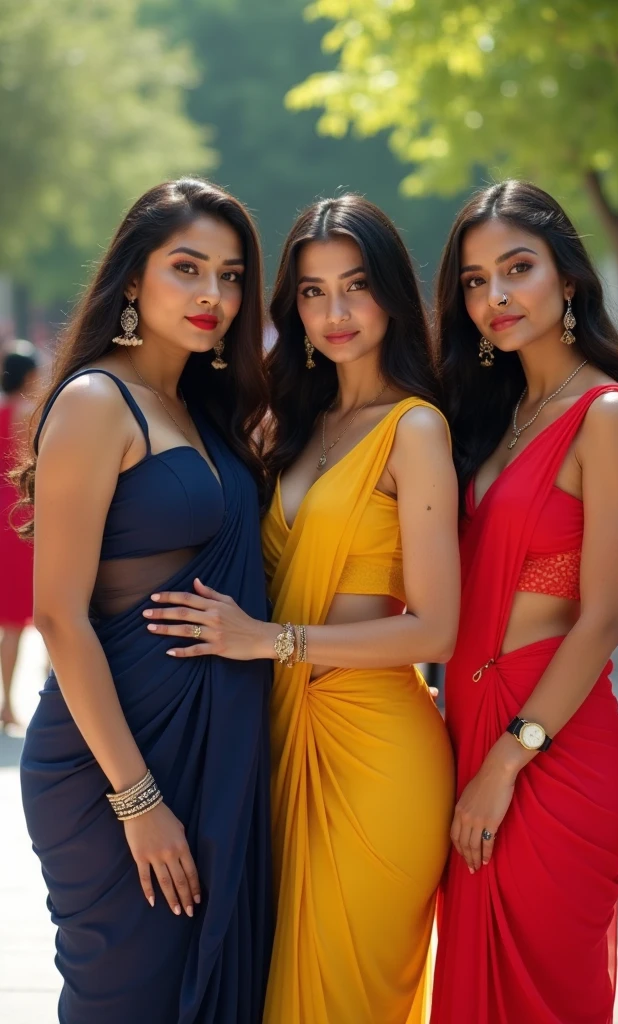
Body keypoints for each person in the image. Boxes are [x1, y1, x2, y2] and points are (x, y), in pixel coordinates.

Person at [145, 195, 460, 1023]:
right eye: (314, 292)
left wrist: (267, 641)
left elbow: (435, 629)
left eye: (356, 286)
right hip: (276, 736)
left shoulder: (416, 429)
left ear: (392, 293)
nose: (337, 312)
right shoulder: (290, 421)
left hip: (378, 753)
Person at [431, 181, 618, 1024]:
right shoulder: (495, 414)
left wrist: (508, 761)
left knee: (551, 994)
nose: (496, 296)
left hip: (550, 745)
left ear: (568, 280)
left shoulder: (606, 414)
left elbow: (605, 616)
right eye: (474, 280)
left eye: (518, 269)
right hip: (465, 733)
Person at [16, 178, 273, 1024]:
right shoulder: (98, 400)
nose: (213, 296)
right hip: (110, 764)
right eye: (187, 268)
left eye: (231, 276)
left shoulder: (202, 406)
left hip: (209, 753)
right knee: (126, 1000)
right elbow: (58, 613)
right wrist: (139, 798)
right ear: (133, 279)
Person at [0, 340, 40, 728]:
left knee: (9, 621)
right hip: (21, 523)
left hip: (2, 521)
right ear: (29, 376)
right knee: (22, 620)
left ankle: (8, 702)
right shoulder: (30, 415)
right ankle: (12, 704)